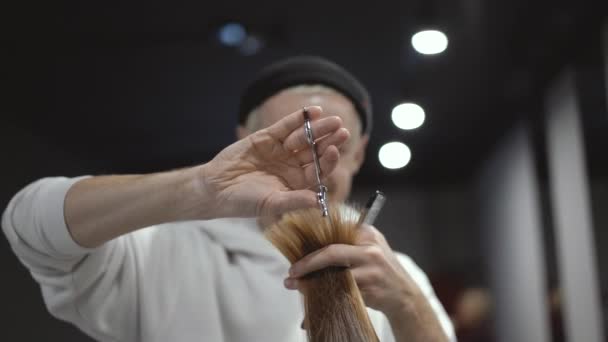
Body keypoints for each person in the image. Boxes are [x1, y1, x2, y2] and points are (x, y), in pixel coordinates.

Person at [2, 56, 455, 341]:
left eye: (333, 148)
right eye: (293, 146)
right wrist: (201, 188)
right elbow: (30, 225)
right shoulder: (161, 254)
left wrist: (407, 305)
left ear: (359, 153)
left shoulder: (399, 276)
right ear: (246, 140)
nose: (311, 170)